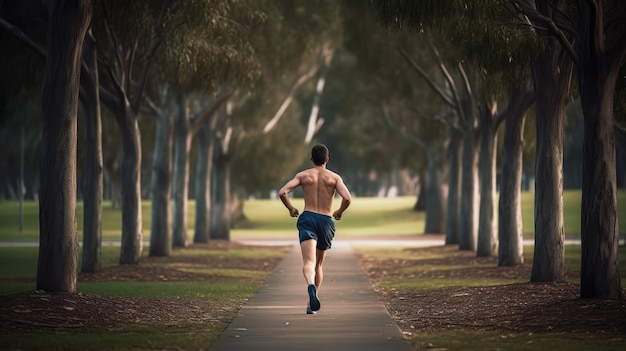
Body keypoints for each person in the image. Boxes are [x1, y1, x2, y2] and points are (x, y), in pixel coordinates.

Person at [278, 143, 352, 314]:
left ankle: (310, 285)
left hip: (308, 219)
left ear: (311, 159)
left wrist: (291, 208)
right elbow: (347, 198)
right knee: (318, 264)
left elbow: (283, 192)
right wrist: (339, 212)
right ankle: (312, 303)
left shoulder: (303, 176)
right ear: (327, 159)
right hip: (326, 221)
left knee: (308, 263)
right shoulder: (334, 178)